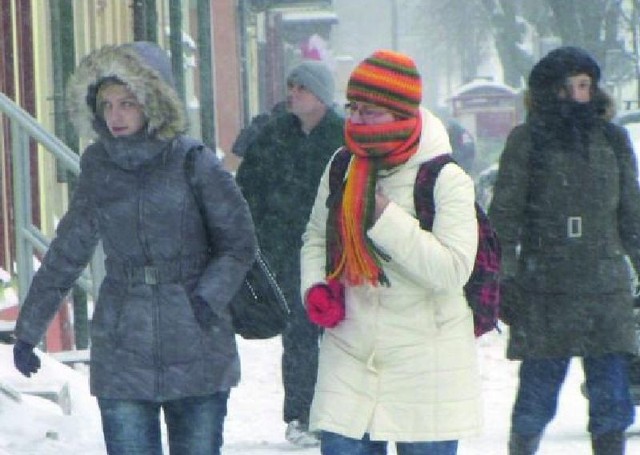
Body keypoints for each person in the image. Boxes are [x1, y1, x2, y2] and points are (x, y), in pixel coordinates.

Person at [11, 42, 257, 455]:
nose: (115, 116)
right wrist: (28, 330)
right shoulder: (98, 167)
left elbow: (239, 243)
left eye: (127, 103)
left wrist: (205, 299)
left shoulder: (194, 162)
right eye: (106, 105)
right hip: (123, 341)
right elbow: (68, 251)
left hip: (197, 343)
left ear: (154, 102)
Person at [300, 49, 482, 454]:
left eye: (370, 111)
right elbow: (316, 236)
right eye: (353, 109)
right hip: (350, 354)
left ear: (401, 112)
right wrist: (316, 287)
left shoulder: (446, 178)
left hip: (426, 362)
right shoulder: (342, 165)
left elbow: (452, 270)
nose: (357, 121)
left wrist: (384, 217)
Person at [488, 46, 640, 455]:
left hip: (605, 290)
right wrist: (504, 279)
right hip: (544, 290)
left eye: (586, 85)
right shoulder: (528, 142)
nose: (580, 94)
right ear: (550, 91)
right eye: (571, 86)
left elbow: (632, 215)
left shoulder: (612, 138)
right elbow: (503, 218)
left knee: (612, 399)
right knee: (536, 397)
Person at [235, 60, 344, 447]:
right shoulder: (274, 136)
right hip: (286, 252)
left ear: (322, 96)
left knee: (339, 335)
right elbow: (247, 188)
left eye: (302, 87)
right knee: (298, 334)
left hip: (336, 254)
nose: (293, 92)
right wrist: (258, 235)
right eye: (291, 85)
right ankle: (301, 413)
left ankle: (339, 411)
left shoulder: (342, 139)